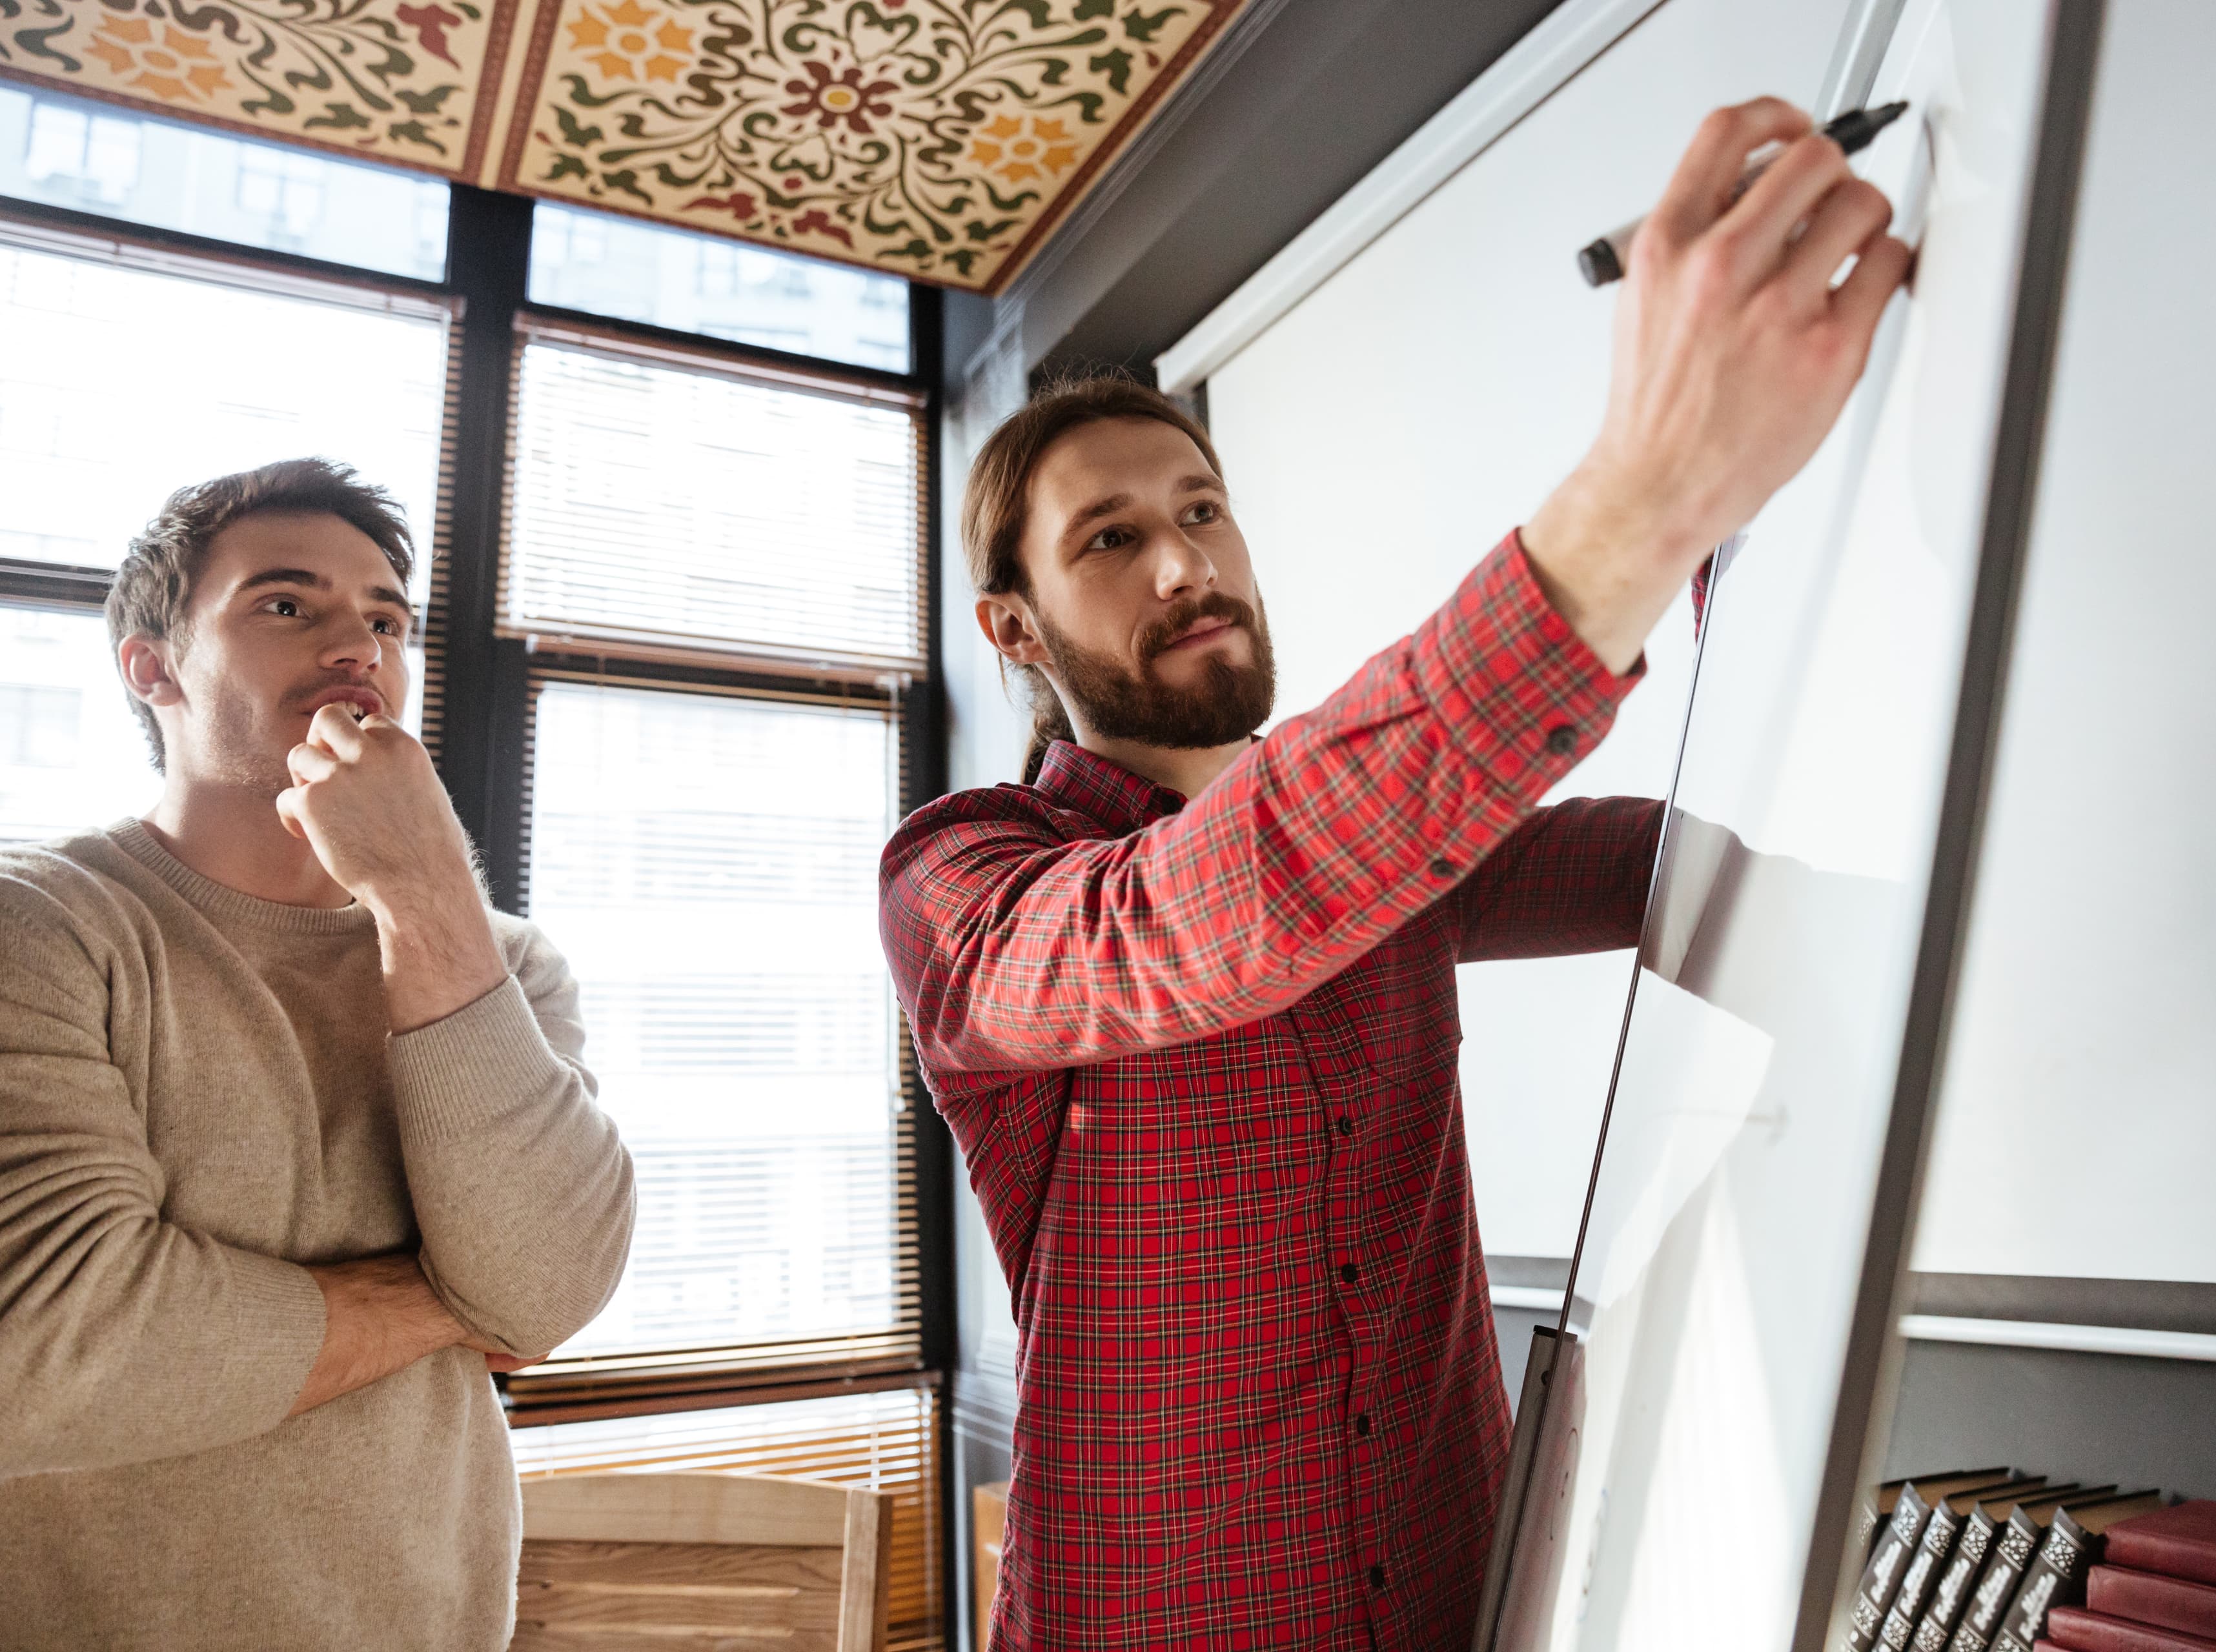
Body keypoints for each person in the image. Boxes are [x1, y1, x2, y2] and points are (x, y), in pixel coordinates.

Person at [879, 97, 1909, 1647]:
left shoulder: (1389, 847)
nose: (1185, 563)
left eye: (1203, 512)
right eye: (1108, 539)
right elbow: (1182, 925)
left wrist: (1916, 942)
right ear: (1012, 627)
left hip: (1452, 1589)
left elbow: (1652, 862)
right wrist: (1639, 494)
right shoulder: (966, 877)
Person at [0, 458, 636, 1648]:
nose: (360, 645)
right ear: (151, 668)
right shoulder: (41, 928)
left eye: (387, 618)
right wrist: (448, 1301)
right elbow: (46, 1345)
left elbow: (549, 1292)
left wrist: (425, 892)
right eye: (285, 604)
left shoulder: (506, 961)